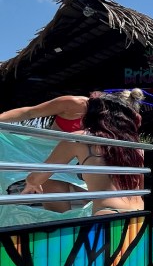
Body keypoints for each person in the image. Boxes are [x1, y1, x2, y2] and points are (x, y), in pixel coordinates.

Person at [1, 90, 141, 211]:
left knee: (93, 194)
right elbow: (30, 112)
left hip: (78, 156)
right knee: (58, 201)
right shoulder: (74, 104)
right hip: (50, 154)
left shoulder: (95, 134)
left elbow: (33, 179)